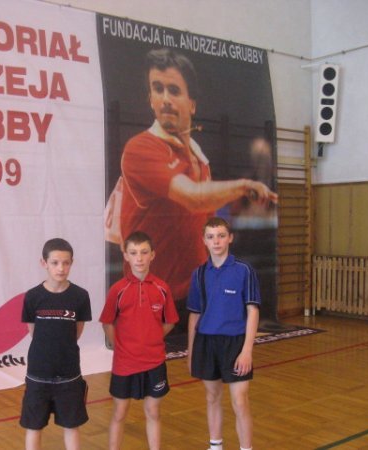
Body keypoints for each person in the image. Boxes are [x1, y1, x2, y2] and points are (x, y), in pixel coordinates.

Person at [108, 47, 277, 327]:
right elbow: (194, 198)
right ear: (150, 99)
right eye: (157, 89)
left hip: (194, 295)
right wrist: (245, 185)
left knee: (197, 355)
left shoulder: (198, 157)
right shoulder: (141, 147)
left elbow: (202, 219)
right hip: (153, 296)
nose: (165, 99)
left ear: (192, 104)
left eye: (174, 90)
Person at [100, 231, 179, 450]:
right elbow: (107, 322)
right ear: (126, 256)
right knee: (119, 413)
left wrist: (152, 337)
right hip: (124, 364)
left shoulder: (162, 288)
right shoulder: (118, 289)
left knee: (153, 411)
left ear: (152, 255)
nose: (139, 258)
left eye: (144, 252)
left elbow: (170, 321)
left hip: (154, 362)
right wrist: (120, 346)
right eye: (134, 253)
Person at [187, 217, 261, 450]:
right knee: (212, 397)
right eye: (211, 237)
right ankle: (215, 445)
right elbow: (194, 315)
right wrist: (191, 352)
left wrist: (247, 350)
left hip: (235, 344)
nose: (216, 241)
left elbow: (253, 311)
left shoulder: (244, 270)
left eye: (221, 236)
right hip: (206, 343)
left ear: (230, 238)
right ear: (204, 241)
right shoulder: (199, 274)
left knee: (240, 401)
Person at [20, 238, 92, 450]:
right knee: (33, 427)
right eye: (55, 263)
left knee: (71, 426)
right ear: (44, 263)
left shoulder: (80, 296)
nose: (61, 268)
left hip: (69, 375)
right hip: (38, 375)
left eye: (66, 263)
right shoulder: (33, 296)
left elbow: (76, 332)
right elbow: (34, 332)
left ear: (72, 263)